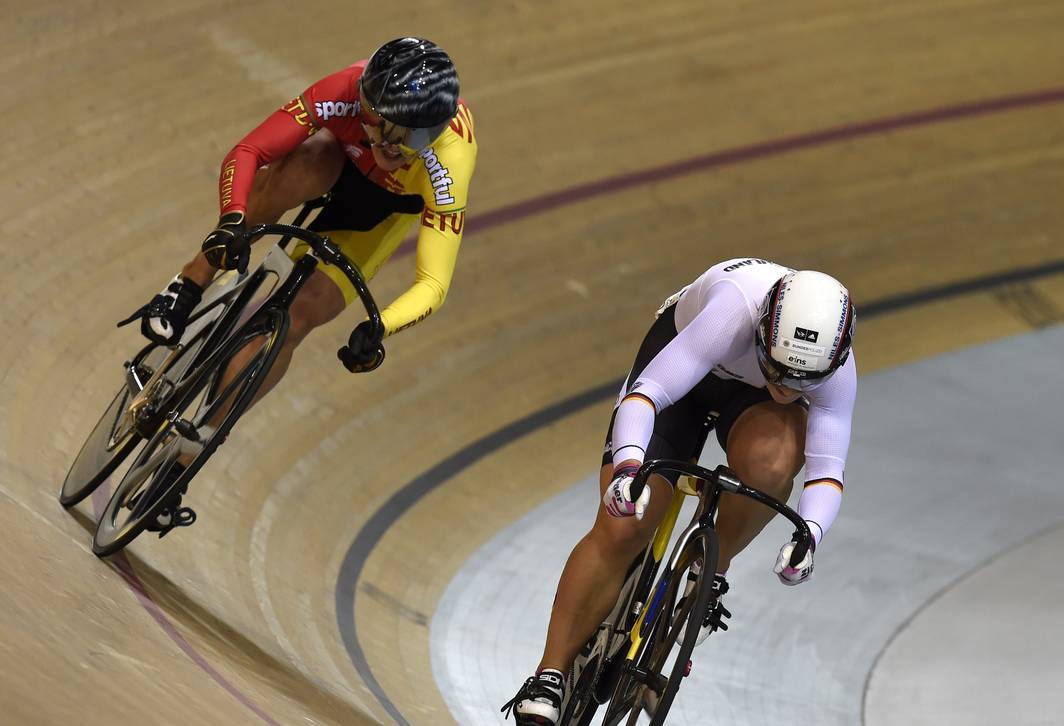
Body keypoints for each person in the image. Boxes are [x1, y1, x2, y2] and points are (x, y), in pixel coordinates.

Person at [120, 37, 477, 534]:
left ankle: (185, 459)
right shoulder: (345, 90)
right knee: (297, 168)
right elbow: (250, 151)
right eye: (384, 130)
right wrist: (232, 220)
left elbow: (434, 282)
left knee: (298, 318)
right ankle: (191, 279)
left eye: (408, 142)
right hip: (334, 158)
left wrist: (381, 327)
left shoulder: (450, 161)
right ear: (367, 104)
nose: (392, 149)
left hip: (381, 213)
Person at [502, 258, 857, 724]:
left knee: (772, 468)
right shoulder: (732, 312)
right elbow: (646, 395)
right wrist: (629, 466)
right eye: (776, 370)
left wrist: (809, 535)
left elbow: (827, 470)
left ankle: (707, 571)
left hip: (750, 406)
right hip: (682, 367)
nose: (785, 388)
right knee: (622, 525)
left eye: (801, 382)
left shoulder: (835, 365)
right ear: (763, 333)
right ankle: (549, 673)